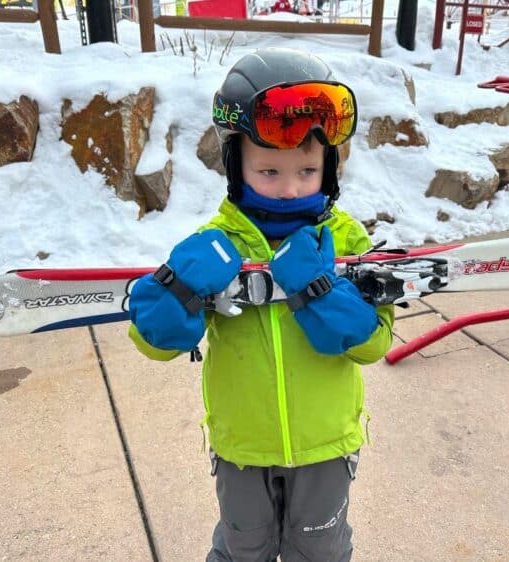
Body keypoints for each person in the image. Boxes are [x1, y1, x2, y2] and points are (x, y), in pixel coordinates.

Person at [127, 48, 394, 562]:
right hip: (242, 449)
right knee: (242, 549)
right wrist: (175, 290)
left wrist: (318, 289)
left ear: (330, 169)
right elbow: (152, 345)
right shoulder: (215, 245)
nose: (291, 189)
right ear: (236, 165)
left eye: (308, 170)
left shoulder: (347, 239)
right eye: (269, 171)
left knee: (320, 550)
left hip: (325, 447)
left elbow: (373, 343)